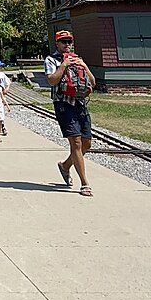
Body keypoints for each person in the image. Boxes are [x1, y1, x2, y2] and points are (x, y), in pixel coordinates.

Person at [45, 30, 96, 196]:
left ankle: (65, 166)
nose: (67, 45)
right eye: (63, 42)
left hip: (80, 104)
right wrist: (64, 66)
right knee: (76, 142)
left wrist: (84, 66)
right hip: (64, 105)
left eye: (69, 41)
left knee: (86, 143)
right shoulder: (51, 60)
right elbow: (51, 80)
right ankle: (85, 183)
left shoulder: (77, 59)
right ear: (57, 43)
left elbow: (93, 82)